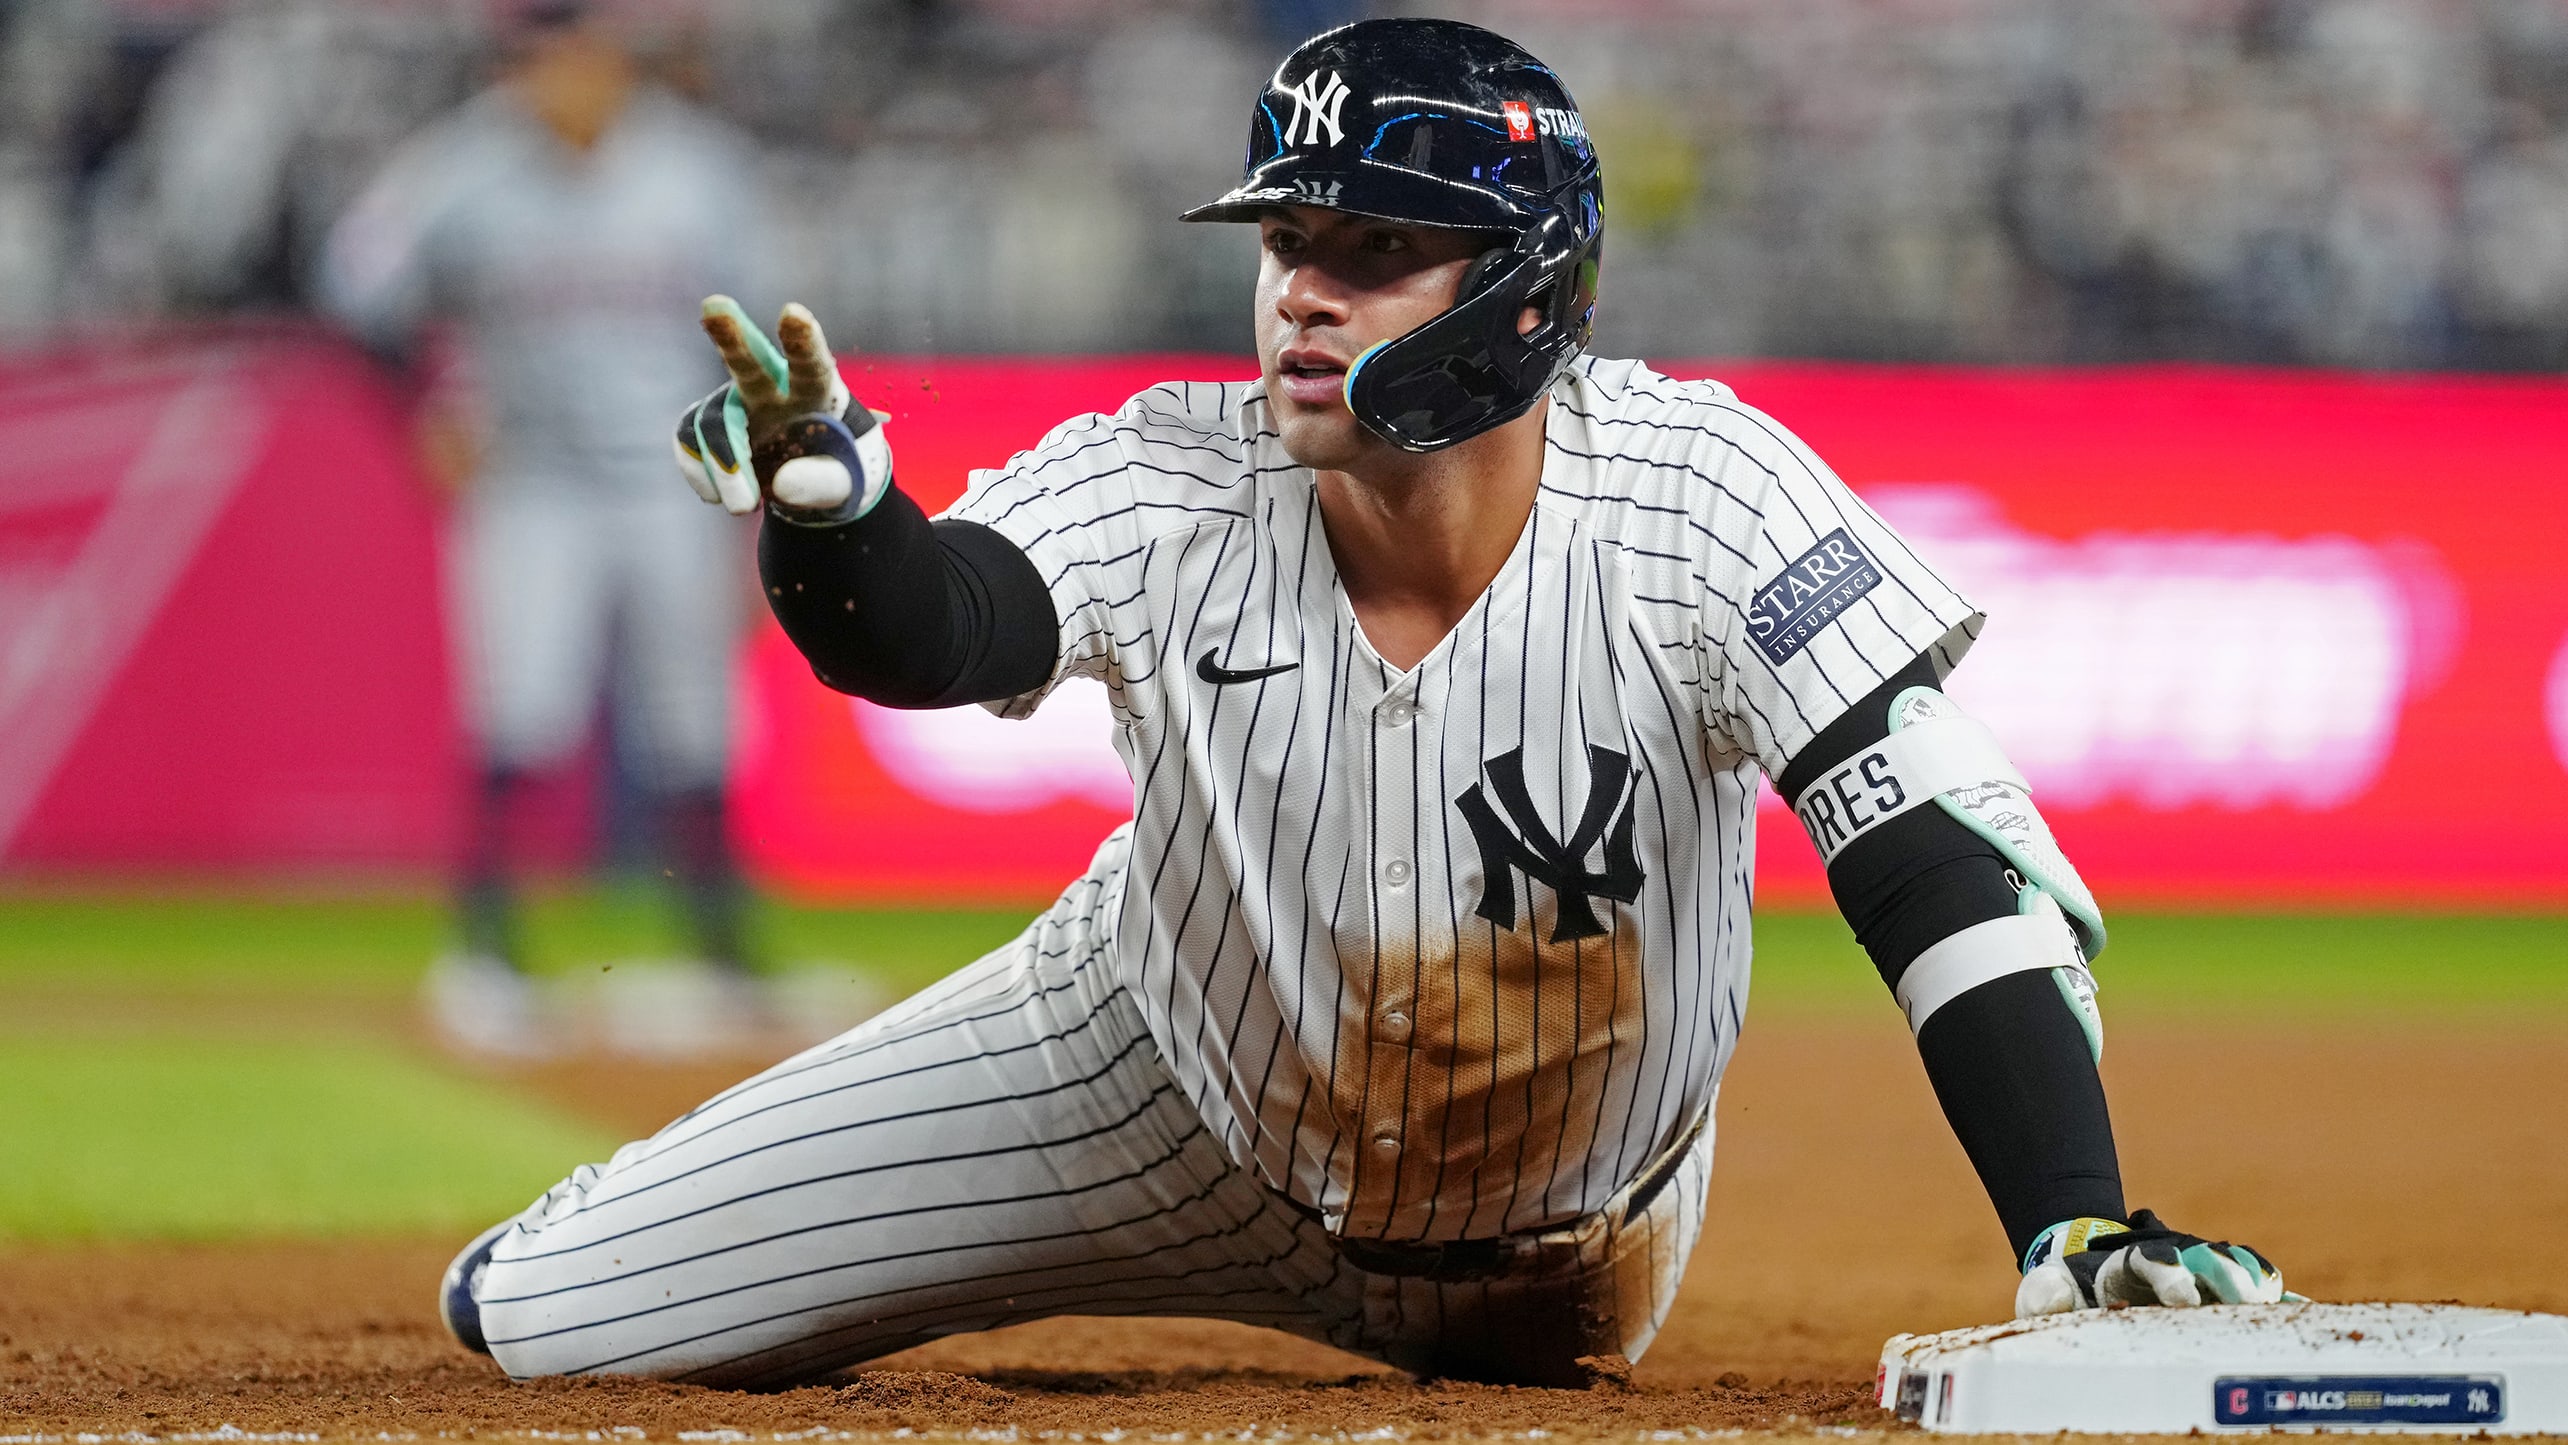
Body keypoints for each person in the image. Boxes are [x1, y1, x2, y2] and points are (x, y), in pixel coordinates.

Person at [436, 19, 2286, 1385]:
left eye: (1373, 253)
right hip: (1133, 1088)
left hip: (1562, 1247)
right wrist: (831, 515)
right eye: (1281, 246)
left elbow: (1930, 848)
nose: (1300, 298)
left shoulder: (1702, 492)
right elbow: (933, 630)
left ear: (1529, 291)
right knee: (533, 1322)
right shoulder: (1174, 472)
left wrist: (2071, 1217)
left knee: (1931, 804)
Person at [319, 2, 765, 1056]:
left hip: (673, 475)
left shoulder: (699, 169)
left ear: (617, 63)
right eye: (542, 59)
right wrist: (424, 407)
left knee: (697, 713)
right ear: (520, 67)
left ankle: (724, 950)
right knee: (520, 706)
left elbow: (763, 338)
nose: (564, 79)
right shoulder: (459, 169)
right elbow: (353, 287)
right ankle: (486, 947)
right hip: (531, 482)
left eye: (582, 57)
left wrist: (749, 503)